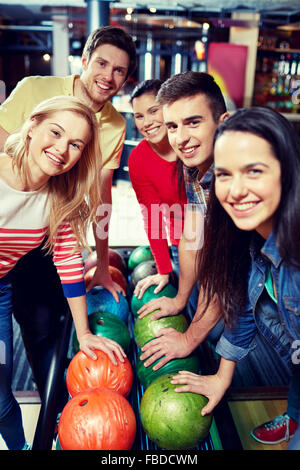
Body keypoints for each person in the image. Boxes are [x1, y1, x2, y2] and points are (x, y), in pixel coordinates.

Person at [0, 26, 137, 395]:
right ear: (85, 59)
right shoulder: (34, 90)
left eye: (119, 71)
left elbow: (101, 195)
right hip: (14, 214)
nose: (108, 76)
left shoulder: (114, 124)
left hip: (46, 230)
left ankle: (54, 402)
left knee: (44, 322)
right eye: (102, 63)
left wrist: (104, 261)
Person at [0, 95, 127, 450]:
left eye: (75, 144)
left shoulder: (59, 198)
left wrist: (84, 334)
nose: (61, 149)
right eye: (55, 132)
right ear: (31, 127)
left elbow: (69, 264)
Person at [170, 106, 300, 449]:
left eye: (254, 171)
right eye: (225, 175)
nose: (235, 190)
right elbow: (240, 305)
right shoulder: (249, 236)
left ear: (287, 171)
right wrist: (221, 377)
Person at [137, 71, 228, 370]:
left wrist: (188, 339)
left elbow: (221, 278)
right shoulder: (194, 171)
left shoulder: (232, 180)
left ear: (222, 122)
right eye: (172, 126)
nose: (181, 138)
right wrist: (179, 298)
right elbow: (191, 239)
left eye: (193, 122)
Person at [128, 79, 186, 297]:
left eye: (153, 111)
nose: (146, 122)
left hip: (217, 242)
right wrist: (164, 270)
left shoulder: (189, 143)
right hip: (182, 245)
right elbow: (152, 217)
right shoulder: (139, 159)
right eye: (139, 116)